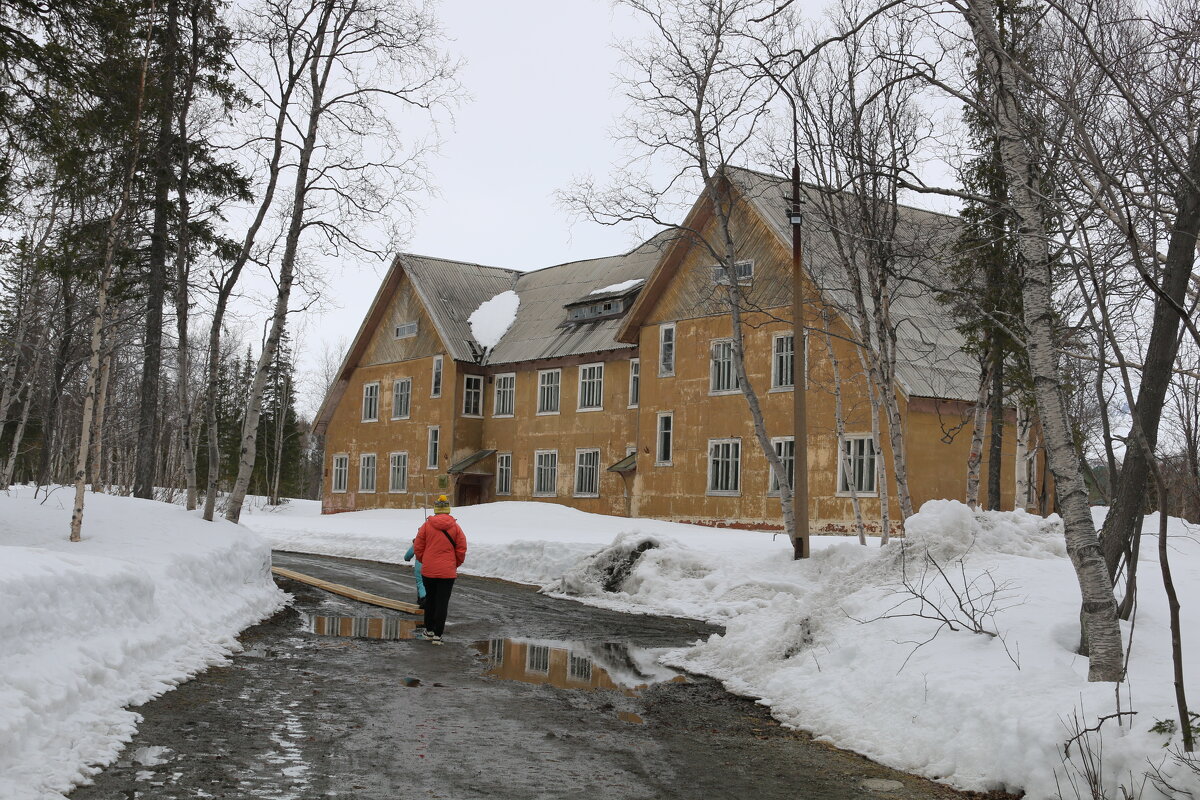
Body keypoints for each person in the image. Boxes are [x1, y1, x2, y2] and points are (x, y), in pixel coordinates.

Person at [412, 495, 467, 645]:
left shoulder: (426, 526)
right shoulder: (456, 527)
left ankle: (429, 631)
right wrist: (454, 563)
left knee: (430, 600)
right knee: (442, 602)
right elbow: (461, 548)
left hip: (429, 570)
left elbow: (418, 546)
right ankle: (438, 635)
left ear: (436, 509)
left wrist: (425, 560)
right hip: (447, 572)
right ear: (448, 509)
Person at [402, 539, 426, 612]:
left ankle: (423, 599)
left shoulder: (418, 541)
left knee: (420, 582)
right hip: (432, 565)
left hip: (420, 565)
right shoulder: (434, 541)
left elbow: (409, 554)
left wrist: (407, 558)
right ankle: (423, 600)